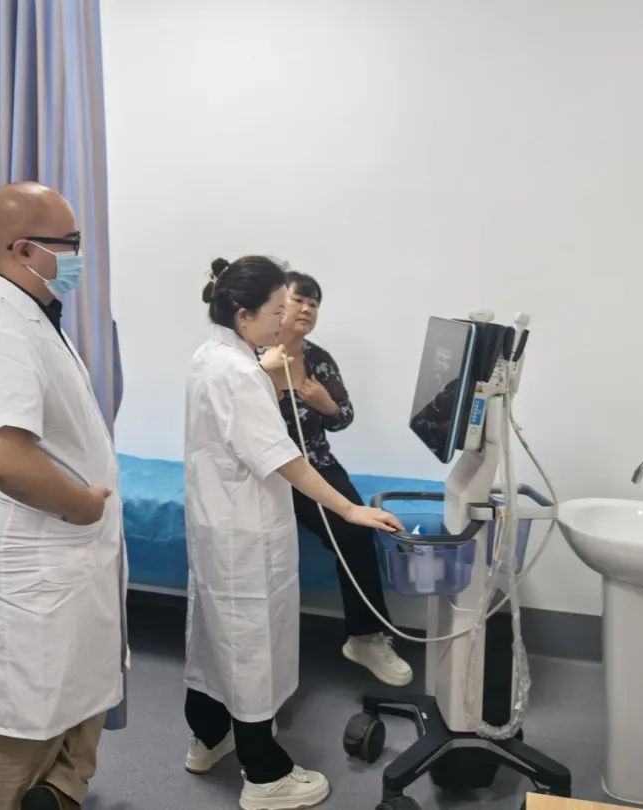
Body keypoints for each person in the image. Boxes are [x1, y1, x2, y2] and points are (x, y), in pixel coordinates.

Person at [183, 256, 403, 810]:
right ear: (244, 314)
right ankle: (265, 774)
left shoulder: (211, 355)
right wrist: (349, 510)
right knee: (251, 646)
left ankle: (209, 739)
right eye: (278, 309)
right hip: (245, 530)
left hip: (218, 523)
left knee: (214, 635)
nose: (288, 318)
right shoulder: (240, 372)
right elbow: (283, 457)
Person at [0, 182, 127, 810]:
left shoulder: (29, 309)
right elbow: (2, 457)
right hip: (36, 551)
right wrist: (83, 505)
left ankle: (63, 791)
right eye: (69, 243)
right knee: (30, 721)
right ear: (23, 249)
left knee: (72, 694)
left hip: (64, 550)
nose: (78, 254)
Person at [261, 271, 414, 687]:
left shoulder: (319, 360)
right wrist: (271, 382)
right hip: (268, 471)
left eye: (314, 304)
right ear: (278, 304)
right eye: (299, 300)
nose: (307, 309)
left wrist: (326, 403)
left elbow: (344, 418)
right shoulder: (253, 357)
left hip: (317, 465)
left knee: (357, 530)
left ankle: (365, 639)